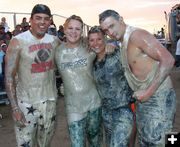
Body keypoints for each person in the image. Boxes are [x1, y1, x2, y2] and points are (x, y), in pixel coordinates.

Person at [99, 10, 176, 147]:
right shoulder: (123, 41)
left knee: (159, 141)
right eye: (106, 30)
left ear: (121, 20)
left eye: (112, 26)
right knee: (146, 140)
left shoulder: (137, 35)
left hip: (158, 96)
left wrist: (148, 92)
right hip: (144, 99)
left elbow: (168, 60)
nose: (110, 33)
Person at [5, 4, 60, 147]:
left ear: (50, 21)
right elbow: (9, 76)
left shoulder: (54, 41)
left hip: (49, 101)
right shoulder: (18, 41)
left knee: (45, 144)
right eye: (38, 18)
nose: (42, 22)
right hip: (26, 102)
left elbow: (71, 52)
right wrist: (15, 108)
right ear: (30, 20)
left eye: (46, 19)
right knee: (26, 144)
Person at [55, 15, 102, 147]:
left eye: (77, 29)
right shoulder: (57, 51)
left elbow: (103, 46)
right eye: (70, 28)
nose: (73, 32)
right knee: (77, 144)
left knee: (95, 142)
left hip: (94, 103)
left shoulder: (90, 48)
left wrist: (109, 46)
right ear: (64, 29)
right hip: (73, 106)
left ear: (82, 32)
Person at [88, 26, 134, 147]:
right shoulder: (91, 61)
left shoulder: (117, 54)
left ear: (105, 39)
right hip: (106, 113)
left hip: (123, 109)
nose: (95, 43)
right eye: (91, 40)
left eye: (99, 39)